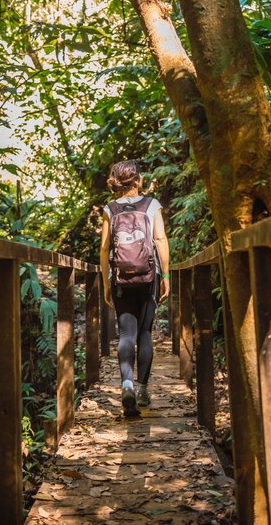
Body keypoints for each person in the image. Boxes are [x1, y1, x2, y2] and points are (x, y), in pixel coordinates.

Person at [100, 160, 170, 417]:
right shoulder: (151, 205)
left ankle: (126, 385)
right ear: (138, 180)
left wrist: (106, 281)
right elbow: (160, 239)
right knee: (145, 333)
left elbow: (105, 248)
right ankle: (142, 390)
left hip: (121, 279)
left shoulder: (110, 208)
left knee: (126, 334)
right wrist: (166, 276)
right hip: (148, 276)